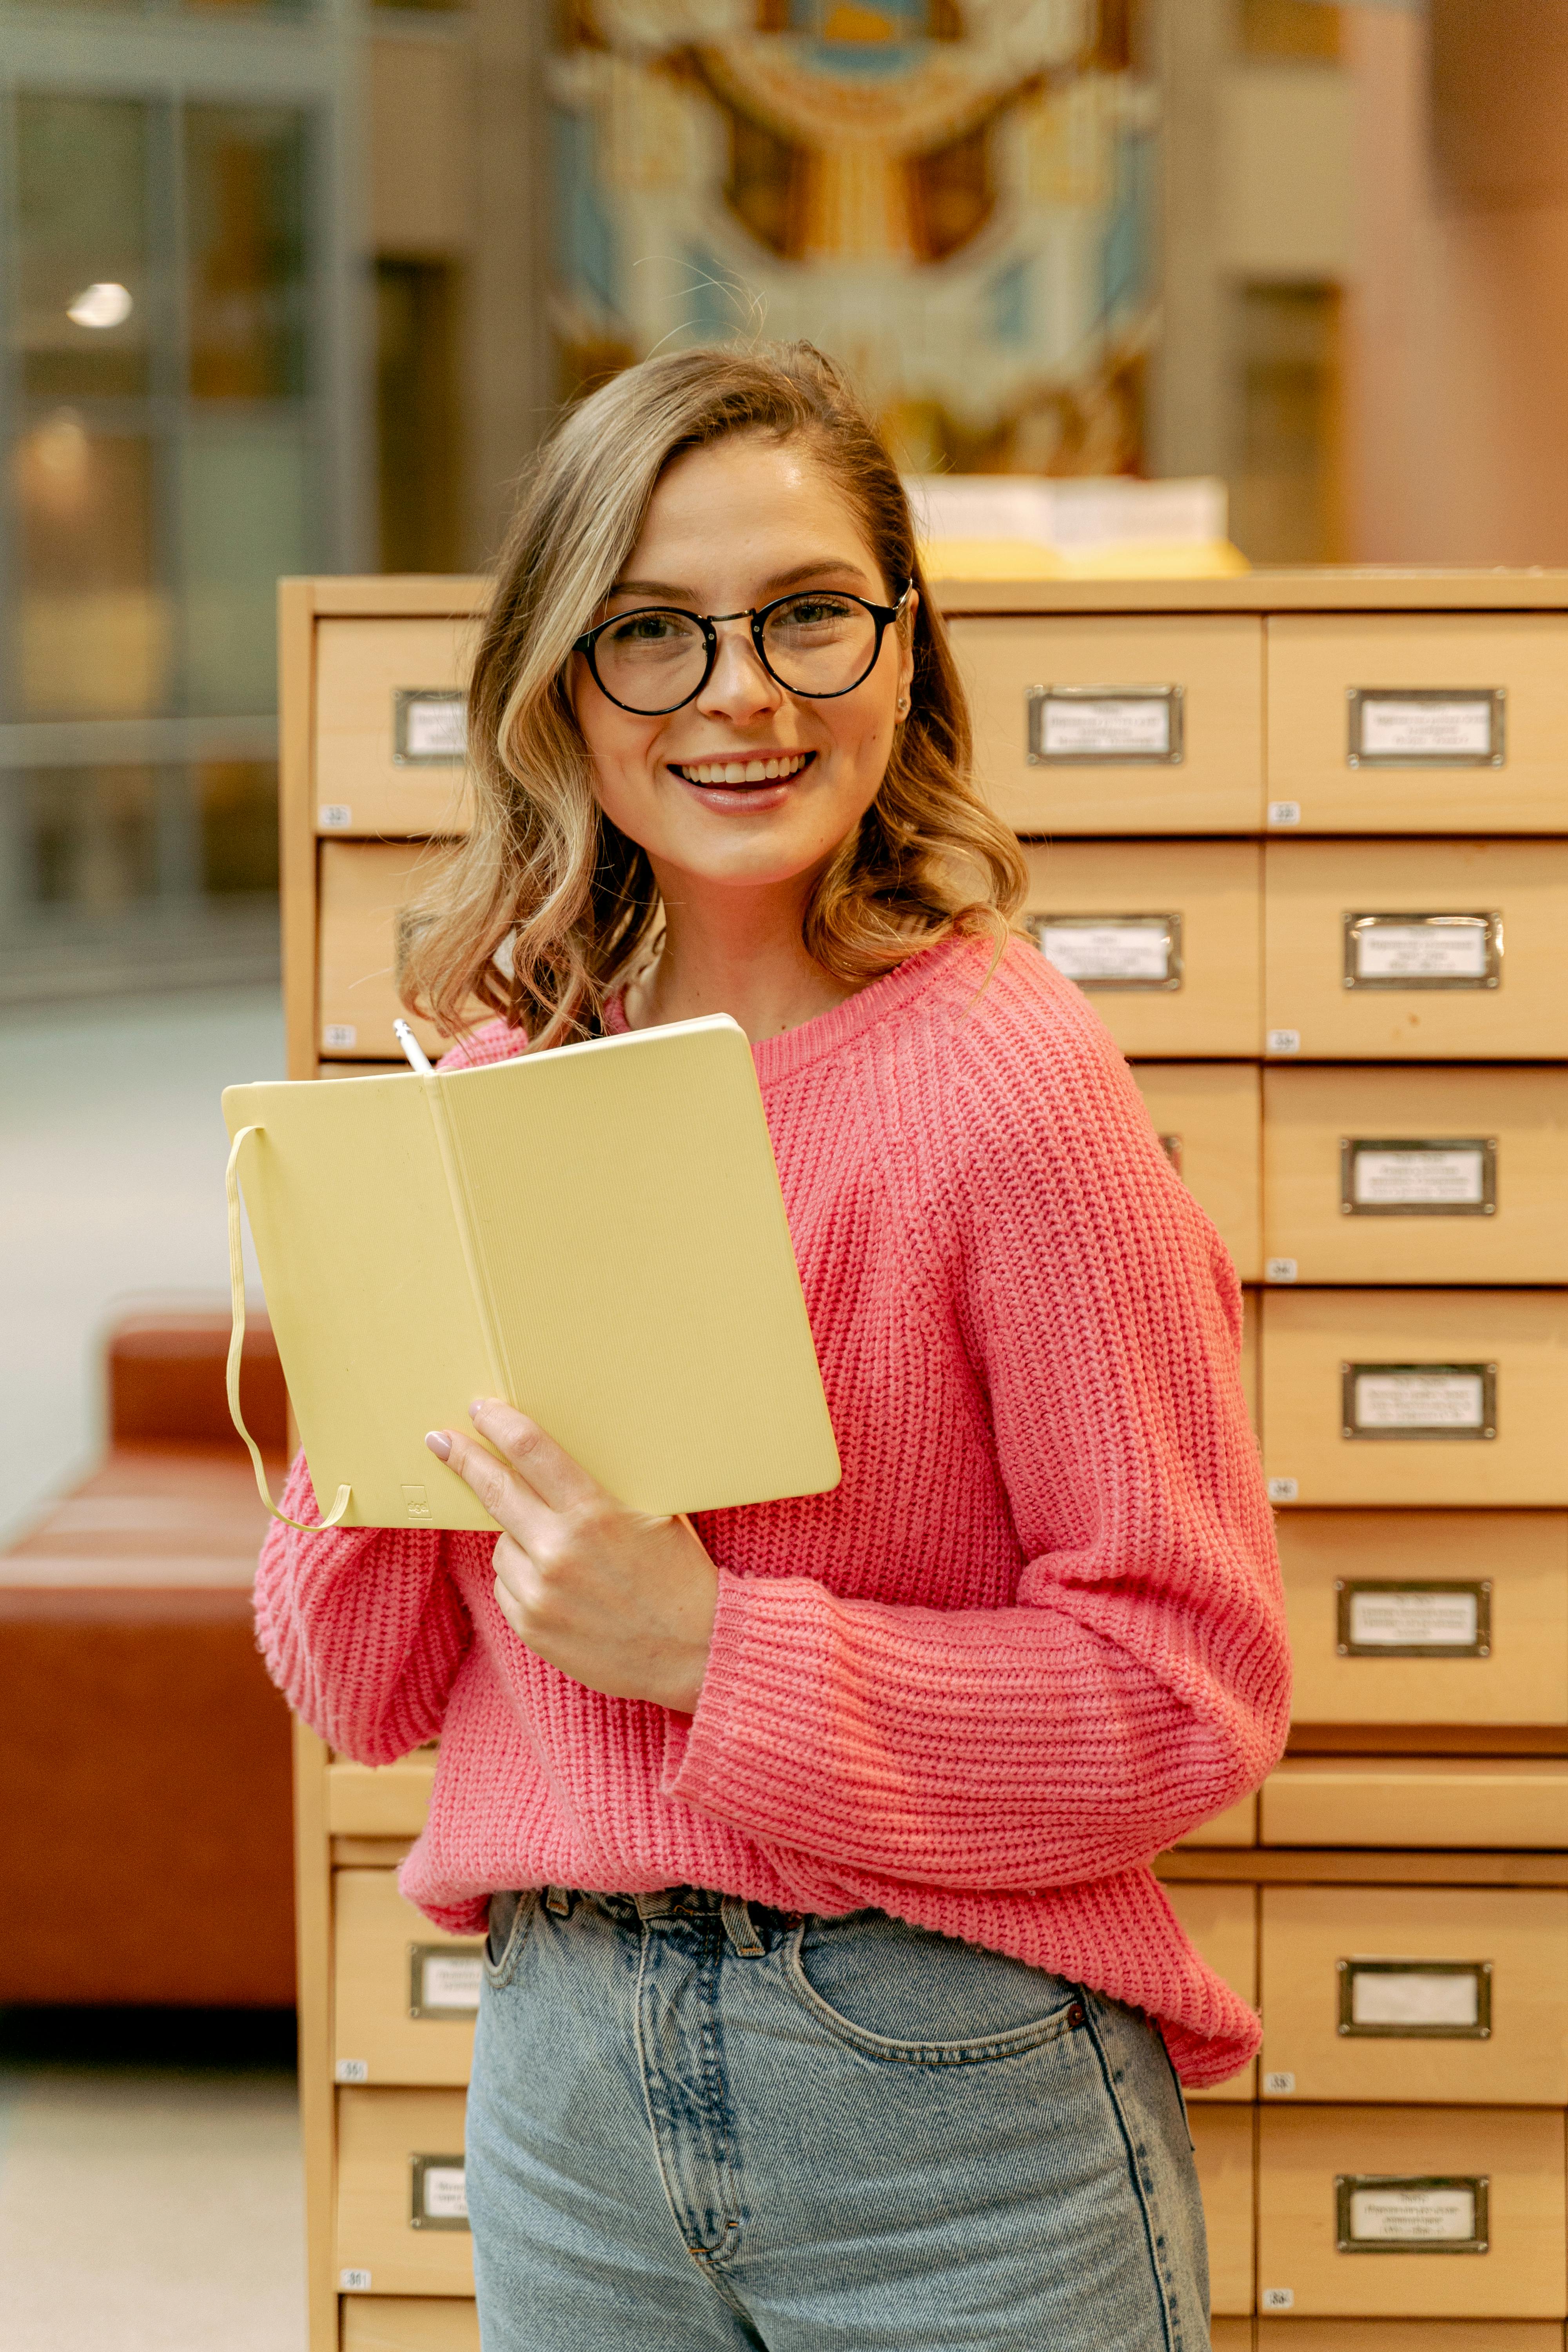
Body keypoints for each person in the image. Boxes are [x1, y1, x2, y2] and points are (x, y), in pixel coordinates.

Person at [257, 342, 1289, 2352]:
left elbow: (1186, 1695)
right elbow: (358, 1683)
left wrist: (711, 1650)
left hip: (942, 2089)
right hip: (563, 2081)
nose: (740, 693)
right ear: (565, 686)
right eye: (651, 631)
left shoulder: (1012, 1085)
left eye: (809, 614)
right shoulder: (494, 1092)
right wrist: (384, 1280)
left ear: (901, 652)